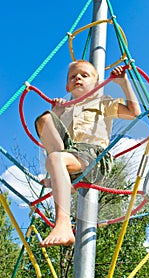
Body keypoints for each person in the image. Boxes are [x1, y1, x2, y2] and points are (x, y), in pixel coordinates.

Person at [35, 60, 141, 247]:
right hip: (71, 154)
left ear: (96, 83)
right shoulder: (66, 108)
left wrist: (124, 83)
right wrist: (57, 114)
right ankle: (64, 176)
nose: (78, 78)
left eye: (84, 75)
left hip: (95, 157)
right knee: (45, 119)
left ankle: (64, 224)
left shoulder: (103, 102)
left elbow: (134, 113)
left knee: (56, 158)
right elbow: (54, 138)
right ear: (67, 85)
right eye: (73, 76)